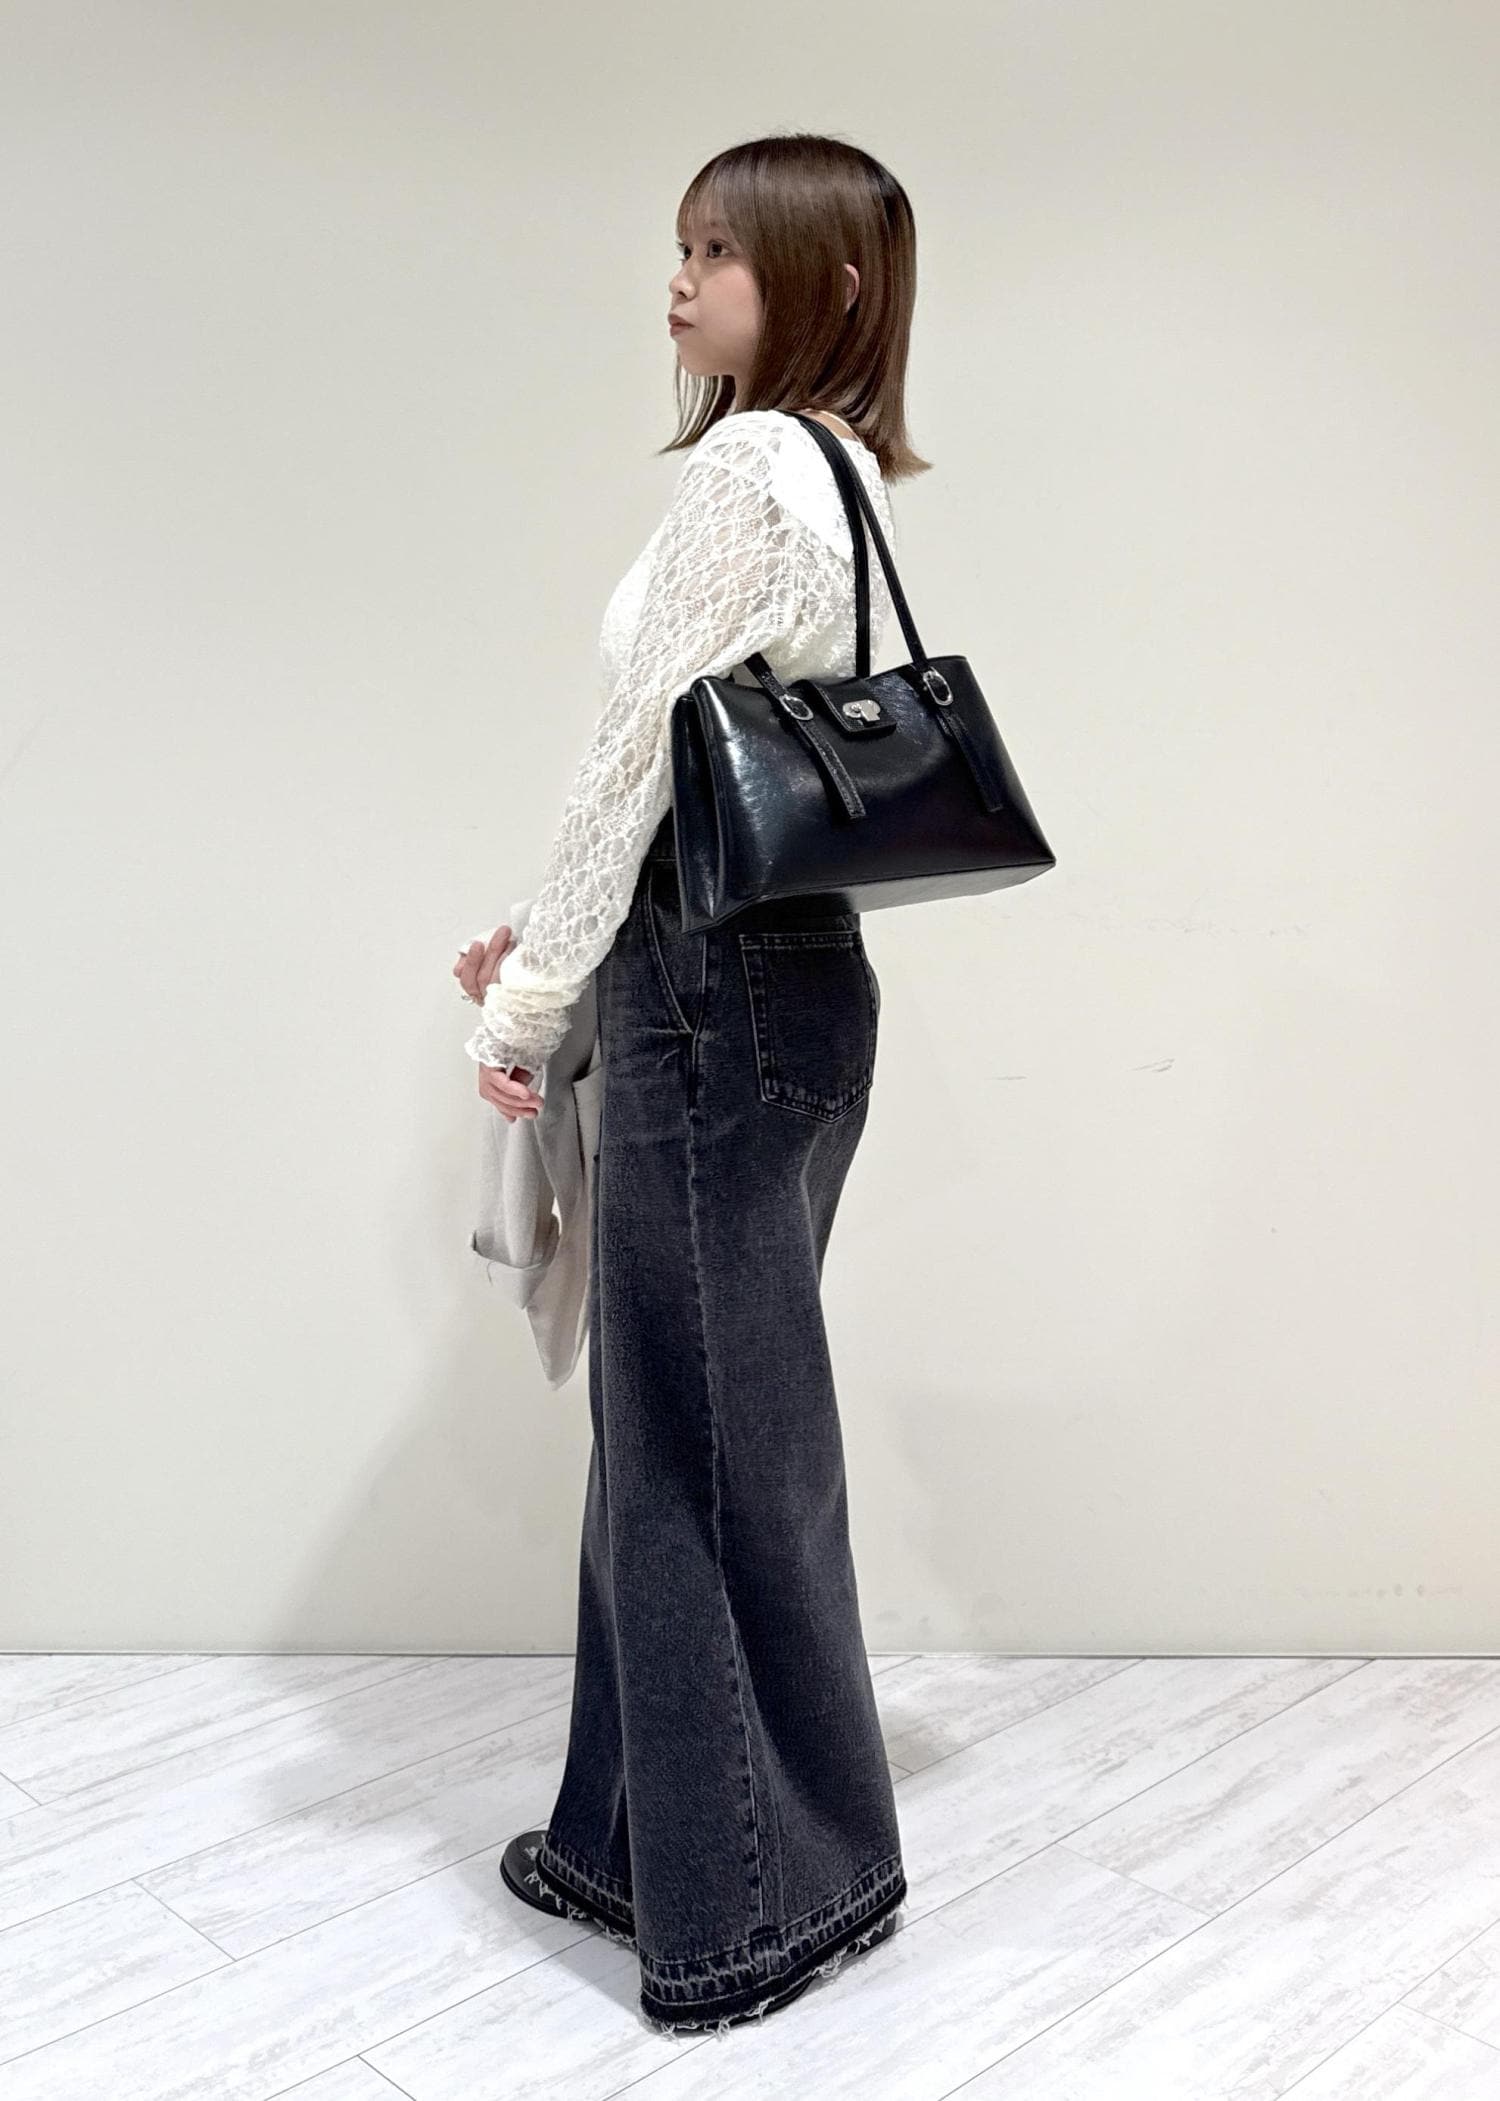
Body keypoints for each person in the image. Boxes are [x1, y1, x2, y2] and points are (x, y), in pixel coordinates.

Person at [453, 131, 931, 2036]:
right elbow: (704, 777)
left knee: (700, 1450)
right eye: (683, 246)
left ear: (821, 283)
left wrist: (528, 1007)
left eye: (718, 251)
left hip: (708, 1001)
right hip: (791, 987)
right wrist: (550, 933)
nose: (678, 279)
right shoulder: (842, 477)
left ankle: (753, 1905)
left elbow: (633, 753)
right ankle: (633, 1841)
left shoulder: (751, 468)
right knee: (698, 1430)